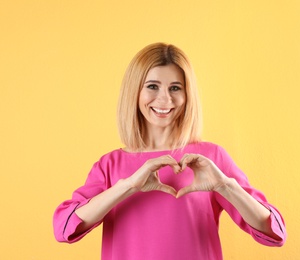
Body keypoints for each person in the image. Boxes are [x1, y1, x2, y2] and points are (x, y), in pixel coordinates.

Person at [53, 42, 286, 260]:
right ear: (135, 92)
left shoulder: (210, 159)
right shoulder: (110, 165)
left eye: (175, 88)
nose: (165, 99)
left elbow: (274, 232)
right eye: (152, 86)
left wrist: (225, 186)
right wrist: (127, 187)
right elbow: (64, 227)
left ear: (187, 96)